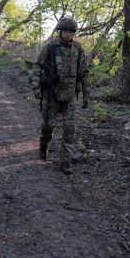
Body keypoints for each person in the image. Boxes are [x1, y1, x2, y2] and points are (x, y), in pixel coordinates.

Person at [31, 17, 90, 175]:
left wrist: (86, 94)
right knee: (48, 126)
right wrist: (36, 87)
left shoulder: (78, 48)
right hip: (52, 94)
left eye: (71, 32)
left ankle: (65, 161)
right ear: (60, 31)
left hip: (70, 96)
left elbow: (84, 72)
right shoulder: (50, 46)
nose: (68, 34)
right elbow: (37, 66)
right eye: (65, 31)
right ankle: (44, 145)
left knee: (69, 129)